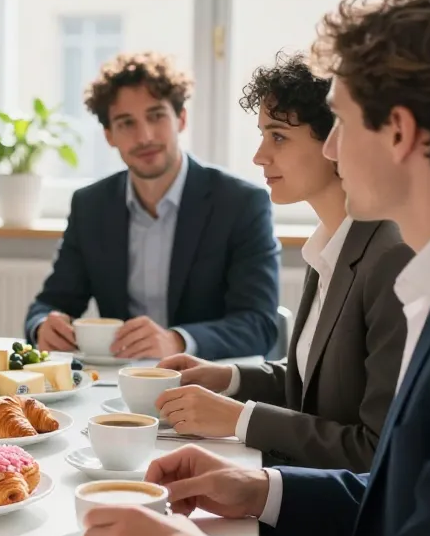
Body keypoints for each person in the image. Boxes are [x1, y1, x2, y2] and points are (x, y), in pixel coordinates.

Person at [82, 0, 430, 536]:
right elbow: (402, 496)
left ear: (399, 132)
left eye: (340, 122)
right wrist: (262, 489)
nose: (330, 150)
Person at [154, 53, 413, 470]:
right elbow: (318, 380)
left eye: (278, 137)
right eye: (263, 135)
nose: (259, 156)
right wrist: (229, 378)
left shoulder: (390, 259)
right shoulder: (331, 243)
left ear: (336, 140)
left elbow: (375, 450)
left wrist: (240, 420)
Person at [24, 52, 280, 361]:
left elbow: (258, 325)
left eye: (156, 116)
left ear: (181, 119)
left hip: (207, 377)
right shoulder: (91, 206)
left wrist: (177, 341)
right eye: (126, 123)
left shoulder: (241, 203)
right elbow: (50, 303)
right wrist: (43, 326)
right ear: (109, 136)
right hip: (118, 379)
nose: (144, 136)